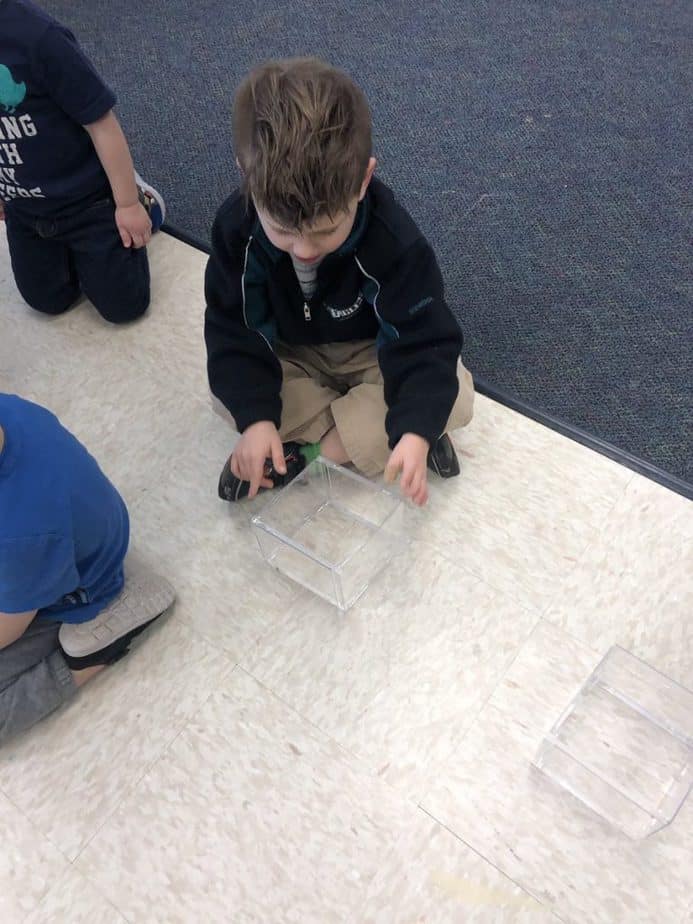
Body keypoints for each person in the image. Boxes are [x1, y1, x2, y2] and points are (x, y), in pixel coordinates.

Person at [205, 57, 474, 507]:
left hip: (373, 352)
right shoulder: (237, 230)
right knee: (228, 396)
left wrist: (415, 427)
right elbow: (233, 328)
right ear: (246, 177)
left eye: (326, 230)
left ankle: (313, 452)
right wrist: (255, 419)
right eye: (284, 232)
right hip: (291, 352)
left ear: (363, 181)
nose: (305, 250)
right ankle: (371, 439)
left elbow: (424, 340)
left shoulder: (394, 242)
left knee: (454, 395)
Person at [0, 393, 175, 745]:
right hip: (60, 541)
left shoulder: (21, 535)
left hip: (76, 585)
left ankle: (93, 654)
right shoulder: (8, 409)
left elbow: (9, 629)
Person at [0, 0, 165, 324]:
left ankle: (141, 195)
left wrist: (127, 204)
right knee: (47, 300)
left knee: (124, 306)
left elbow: (100, 121)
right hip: (25, 207)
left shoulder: (38, 38)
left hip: (85, 200)